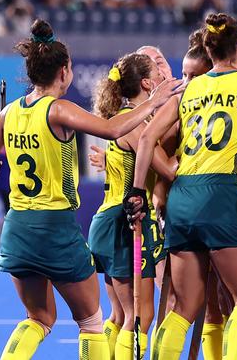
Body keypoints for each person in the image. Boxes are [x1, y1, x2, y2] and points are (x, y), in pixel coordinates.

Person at [0, 19, 180, 360]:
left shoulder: (9, 113)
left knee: (38, 318)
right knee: (91, 322)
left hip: (17, 228)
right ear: (64, 71)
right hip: (54, 227)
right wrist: (155, 102)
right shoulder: (59, 108)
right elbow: (113, 129)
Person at [125, 13, 237, 359]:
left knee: (183, 307)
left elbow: (148, 135)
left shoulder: (189, 89)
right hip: (222, 194)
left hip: (182, 195)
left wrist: (137, 192)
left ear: (209, 53)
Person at [89, 52, 178, 360]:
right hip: (125, 222)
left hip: (108, 220)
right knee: (139, 316)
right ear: (146, 83)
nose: (161, 78)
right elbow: (168, 170)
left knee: (117, 315)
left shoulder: (126, 117)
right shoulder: (137, 124)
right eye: (157, 73)